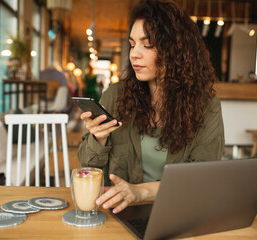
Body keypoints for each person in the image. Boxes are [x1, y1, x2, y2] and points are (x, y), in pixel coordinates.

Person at [78, 0, 225, 214]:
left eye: (147, 45)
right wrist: (98, 139)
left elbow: (202, 177)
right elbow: (87, 169)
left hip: (178, 212)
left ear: (175, 50)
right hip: (119, 214)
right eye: (132, 44)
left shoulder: (206, 106)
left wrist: (140, 192)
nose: (134, 53)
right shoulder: (115, 96)